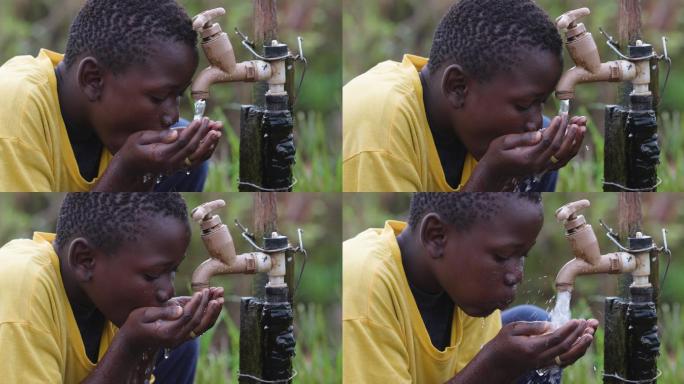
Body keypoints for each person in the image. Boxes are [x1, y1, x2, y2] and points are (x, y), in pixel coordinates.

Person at [343, 193, 599, 383]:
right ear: (436, 236)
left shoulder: (464, 286)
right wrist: (494, 366)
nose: (517, 275)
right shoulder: (366, 279)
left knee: (534, 324)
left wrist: (536, 361)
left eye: (523, 256)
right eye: (502, 257)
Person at [343, 0, 588, 192]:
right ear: (457, 87)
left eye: (542, 103)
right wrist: (493, 175)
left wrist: (531, 173)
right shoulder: (381, 122)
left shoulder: (471, 124)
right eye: (524, 104)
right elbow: (444, 246)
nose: (535, 121)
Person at [0, 0, 223, 191]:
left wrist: (163, 169)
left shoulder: (103, 118)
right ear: (93, 79)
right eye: (158, 97)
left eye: (178, 96)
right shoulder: (15, 110)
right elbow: (87, 228)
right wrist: (125, 170)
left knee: (185, 157)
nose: (171, 115)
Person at [0, 193, 224, 383]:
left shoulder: (105, 296)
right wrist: (129, 347)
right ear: (84, 260)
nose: (168, 291)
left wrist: (148, 347)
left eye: (172, 271)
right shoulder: (22, 288)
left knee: (180, 349)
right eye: (152, 275)